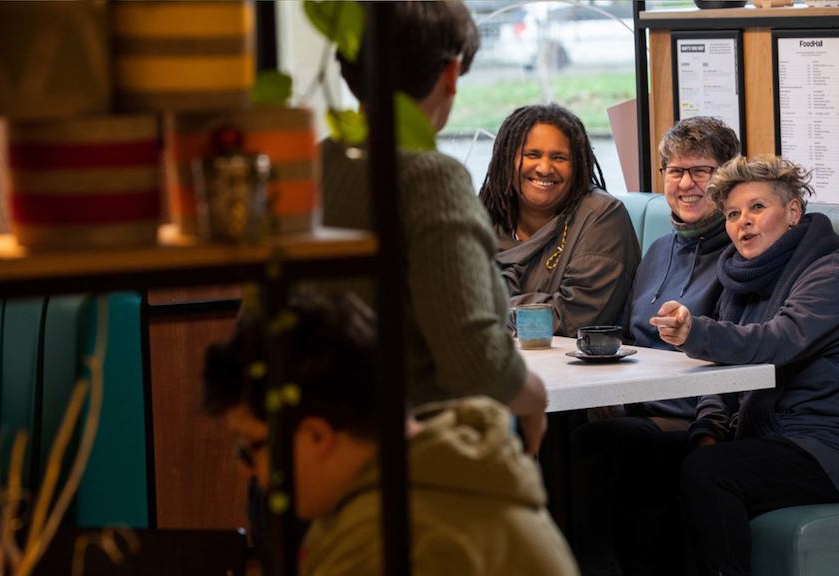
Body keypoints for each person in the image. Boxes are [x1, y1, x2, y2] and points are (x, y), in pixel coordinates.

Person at [203, 293, 578, 576]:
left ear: (316, 436)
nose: (247, 470)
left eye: (250, 448)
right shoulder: (440, 482)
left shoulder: (389, 543)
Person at [318, 2, 547, 454]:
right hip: (407, 466)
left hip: (309, 448)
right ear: (450, 73)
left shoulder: (315, 161)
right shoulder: (427, 178)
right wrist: (534, 396)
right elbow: (474, 359)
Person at [650, 154, 839, 575]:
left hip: (838, 451)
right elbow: (721, 377)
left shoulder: (835, 274)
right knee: (623, 447)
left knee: (711, 474)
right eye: (732, 213)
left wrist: (696, 333)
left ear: (794, 212)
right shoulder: (742, 281)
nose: (742, 222)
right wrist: (707, 430)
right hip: (769, 438)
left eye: (757, 208)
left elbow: (777, 341)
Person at [570, 117, 740, 575]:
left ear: (728, 175)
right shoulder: (661, 248)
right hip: (639, 411)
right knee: (567, 432)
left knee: (595, 448)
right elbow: (627, 337)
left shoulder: (741, 253)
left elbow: (732, 359)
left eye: (701, 171)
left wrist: (707, 431)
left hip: (696, 420)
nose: (686, 184)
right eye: (674, 171)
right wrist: (608, 395)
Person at [479, 104, 640, 337]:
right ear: (507, 159)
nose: (545, 168)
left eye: (559, 157)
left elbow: (571, 319)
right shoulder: (489, 209)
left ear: (577, 166)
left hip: (579, 368)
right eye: (532, 155)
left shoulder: (602, 216)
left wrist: (484, 309)